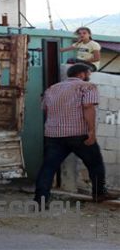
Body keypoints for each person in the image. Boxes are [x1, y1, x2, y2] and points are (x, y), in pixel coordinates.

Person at [34, 63, 117, 205]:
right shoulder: (87, 86)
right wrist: (91, 131)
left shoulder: (51, 89)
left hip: (54, 134)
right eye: (88, 73)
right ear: (81, 74)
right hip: (78, 133)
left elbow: (46, 110)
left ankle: (40, 200)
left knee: (48, 167)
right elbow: (88, 107)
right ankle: (99, 193)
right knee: (95, 164)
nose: (89, 76)